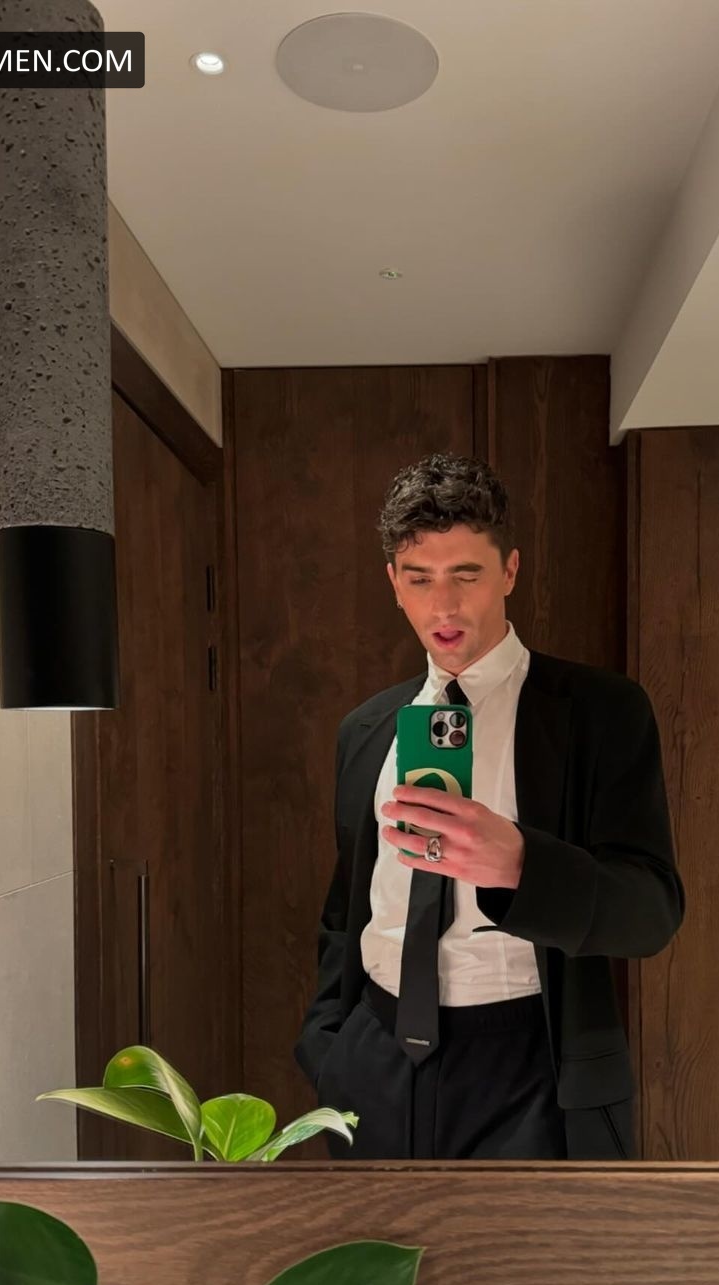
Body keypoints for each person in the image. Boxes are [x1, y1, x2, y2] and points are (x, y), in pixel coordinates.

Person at [293, 453, 684, 1160]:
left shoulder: (600, 712)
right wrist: (329, 1048)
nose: (443, 606)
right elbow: (345, 909)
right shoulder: (366, 730)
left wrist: (523, 865)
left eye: (466, 574)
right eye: (420, 578)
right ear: (394, 584)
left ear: (509, 571)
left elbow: (652, 911)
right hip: (372, 1061)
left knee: (528, 1242)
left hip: (529, 1067)